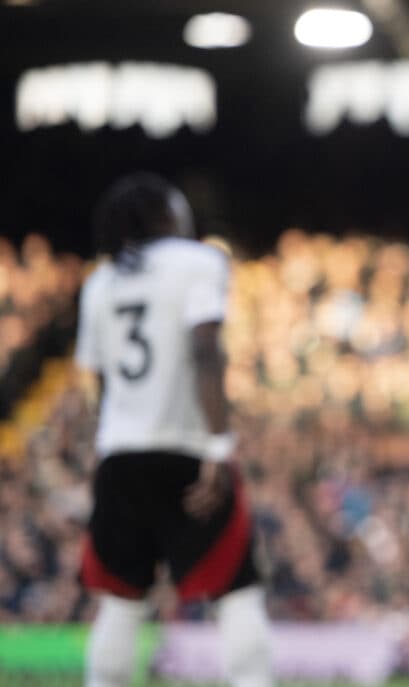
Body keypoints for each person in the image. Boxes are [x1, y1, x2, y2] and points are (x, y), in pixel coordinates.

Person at [74, 173, 273, 687]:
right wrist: (219, 446)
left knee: (121, 599)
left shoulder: (99, 283)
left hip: (121, 453)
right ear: (164, 215)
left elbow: (102, 383)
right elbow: (205, 349)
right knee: (236, 589)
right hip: (187, 448)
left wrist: (112, 449)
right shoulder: (197, 262)